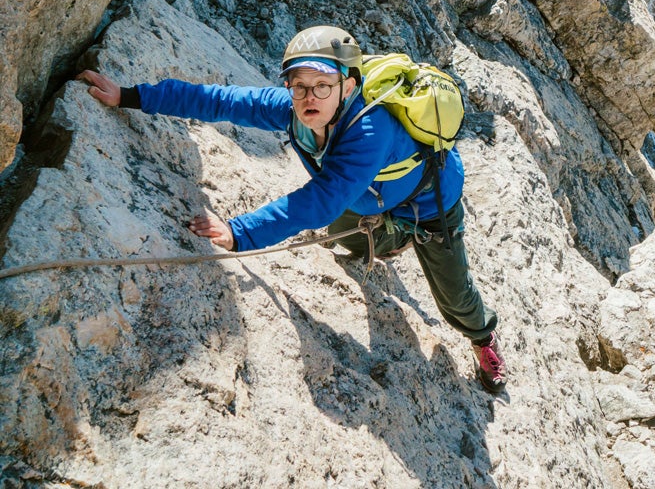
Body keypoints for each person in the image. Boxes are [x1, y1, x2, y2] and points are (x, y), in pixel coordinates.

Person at [78, 24, 506, 392]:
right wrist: (130, 96)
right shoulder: (294, 111)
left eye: (322, 85)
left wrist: (240, 231)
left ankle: (482, 335)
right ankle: (388, 238)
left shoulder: (370, 130)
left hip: (429, 205)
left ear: (349, 86)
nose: (308, 96)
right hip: (366, 197)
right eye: (299, 85)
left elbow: (317, 202)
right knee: (350, 237)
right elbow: (219, 100)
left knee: (454, 296)